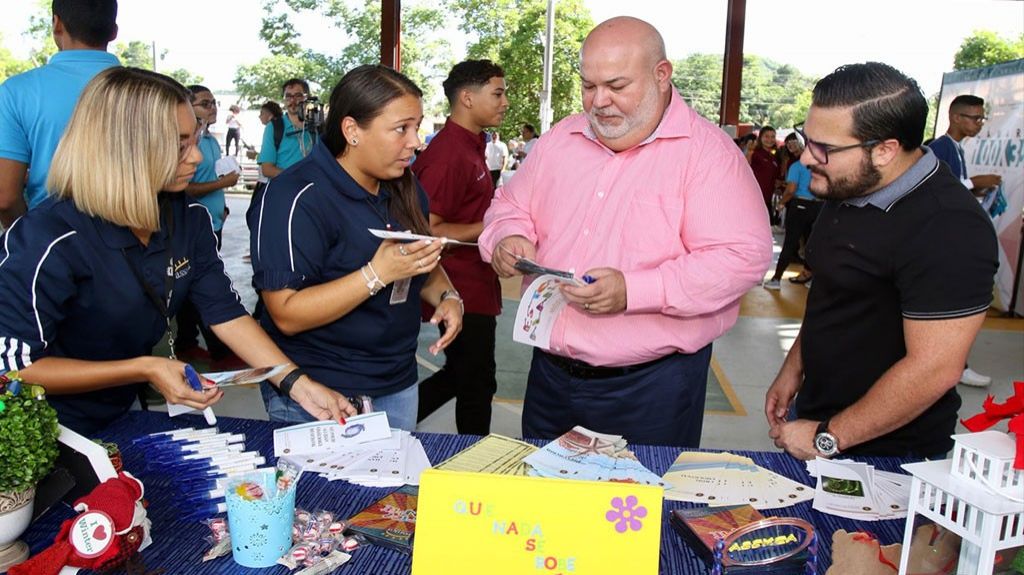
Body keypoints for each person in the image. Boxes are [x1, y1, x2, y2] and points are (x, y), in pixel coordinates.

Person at [0, 67, 356, 435]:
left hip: (121, 417)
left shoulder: (186, 220)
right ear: (123, 148)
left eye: (196, 139)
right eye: (179, 144)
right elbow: (15, 369)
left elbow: (225, 313)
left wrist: (298, 383)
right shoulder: (48, 237)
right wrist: (144, 368)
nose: (197, 158)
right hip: (39, 435)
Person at [479, 17, 771, 447]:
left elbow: (740, 259)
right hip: (550, 376)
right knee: (546, 506)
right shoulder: (561, 139)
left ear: (661, 74)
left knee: (637, 509)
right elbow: (509, 206)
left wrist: (634, 291)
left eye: (616, 86)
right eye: (588, 85)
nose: (599, 101)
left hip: (651, 389)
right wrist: (506, 236)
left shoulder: (708, 156)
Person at [765, 62, 998, 460]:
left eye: (824, 149)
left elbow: (934, 369)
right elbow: (834, 291)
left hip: (891, 454)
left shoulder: (948, 226)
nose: (805, 159)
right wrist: (794, 367)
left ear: (885, 150)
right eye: (808, 140)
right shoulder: (846, 188)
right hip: (816, 422)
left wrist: (828, 436)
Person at [249, 65, 464, 431]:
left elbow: (418, 259)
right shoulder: (294, 196)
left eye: (417, 126)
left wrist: (447, 294)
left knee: (391, 489)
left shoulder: (404, 186)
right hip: (318, 391)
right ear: (352, 131)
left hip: (397, 382)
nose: (415, 141)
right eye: (401, 129)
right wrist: (376, 274)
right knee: (325, 491)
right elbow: (285, 313)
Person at [413, 59, 508, 434]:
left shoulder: (471, 146)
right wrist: (491, 225)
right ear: (467, 98)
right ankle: (475, 463)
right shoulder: (449, 153)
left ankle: (389, 427)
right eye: (497, 93)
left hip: (475, 283)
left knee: (465, 376)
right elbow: (430, 228)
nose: (504, 102)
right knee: (475, 384)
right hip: (457, 287)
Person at [0, 0, 121, 228]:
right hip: (137, 242)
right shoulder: (152, 93)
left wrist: (29, 238)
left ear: (56, 24)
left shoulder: (17, 91)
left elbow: (5, 198)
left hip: (52, 240)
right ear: (114, 32)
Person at [928, 94, 1000, 388]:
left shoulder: (955, 149)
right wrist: (975, 183)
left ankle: (954, 364)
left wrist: (975, 191)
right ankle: (953, 365)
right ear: (955, 117)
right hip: (939, 242)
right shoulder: (939, 148)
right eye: (974, 117)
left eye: (982, 118)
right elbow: (936, 186)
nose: (979, 123)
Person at [175, 84, 241, 368]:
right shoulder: (195, 142)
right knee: (194, 288)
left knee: (206, 281)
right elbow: (185, 188)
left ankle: (195, 344)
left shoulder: (211, 141)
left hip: (213, 222)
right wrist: (222, 184)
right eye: (205, 103)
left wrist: (222, 205)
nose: (212, 107)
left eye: (214, 102)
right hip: (193, 224)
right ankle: (210, 348)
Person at [763, 133, 819, 289]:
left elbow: (791, 190)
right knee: (811, 243)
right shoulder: (820, 163)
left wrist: (781, 203)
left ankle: (776, 279)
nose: (791, 146)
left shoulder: (797, 166)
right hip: (818, 207)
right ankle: (810, 276)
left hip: (800, 205)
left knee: (790, 242)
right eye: (788, 145)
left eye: (794, 143)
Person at [257, 78, 316, 180]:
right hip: (283, 192)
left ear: (307, 98)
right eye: (288, 96)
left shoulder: (316, 127)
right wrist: (297, 178)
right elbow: (266, 169)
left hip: (311, 192)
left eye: (298, 96)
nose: (292, 101)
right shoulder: (273, 127)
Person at [747, 125, 779, 224]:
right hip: (753, 198)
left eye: (772, 136)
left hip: (768, 198)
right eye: (766, 136)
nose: (770, 139)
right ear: (760, 138)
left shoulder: (774, 156)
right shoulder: (755, 153)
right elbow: (745, 167)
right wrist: (749, 152)